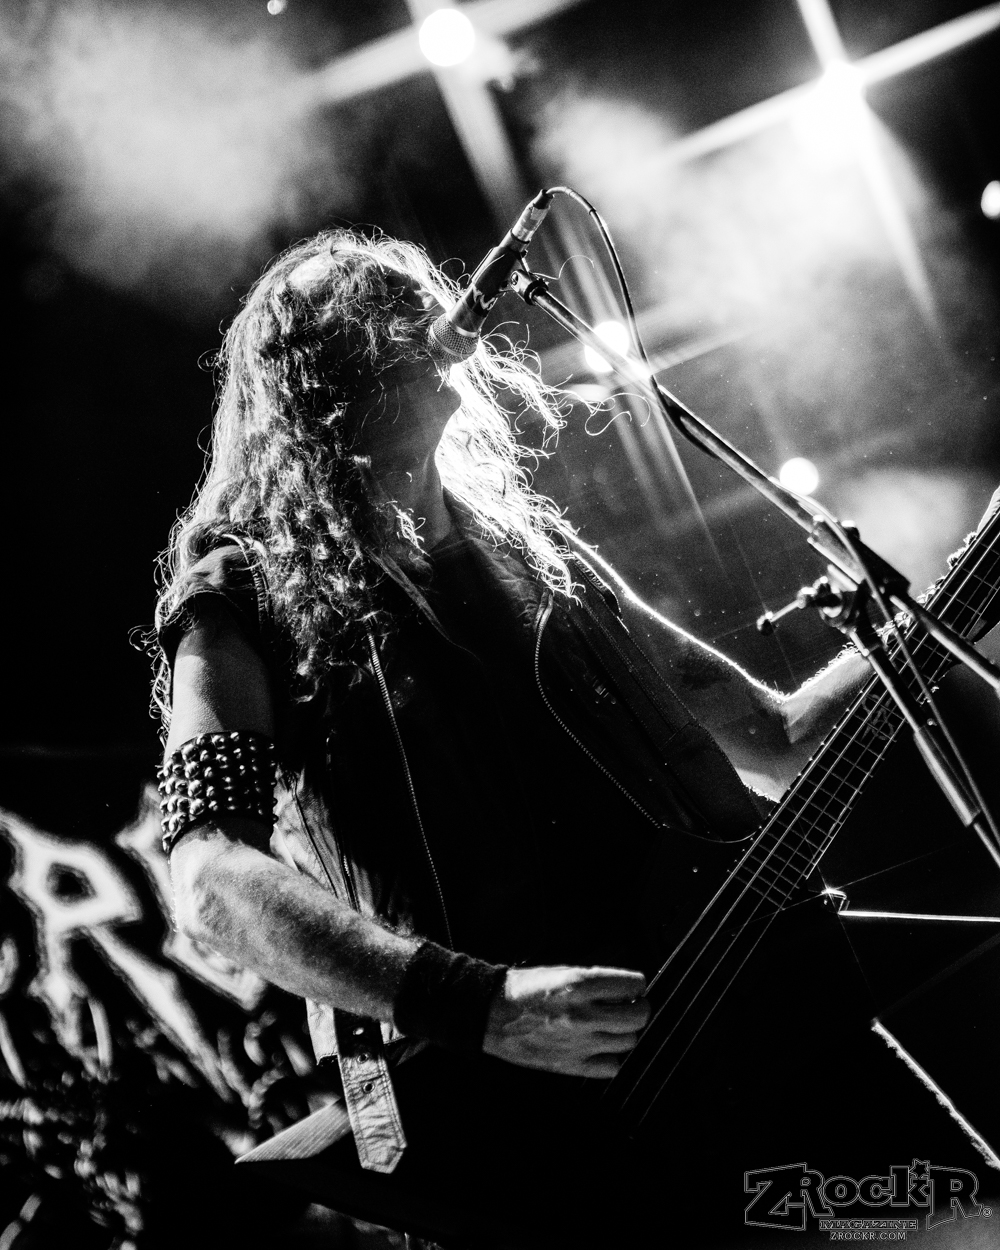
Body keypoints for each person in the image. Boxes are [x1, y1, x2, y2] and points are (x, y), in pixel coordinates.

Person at [152, 229, 967, 1246]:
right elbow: (211, 874)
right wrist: (478, 1004)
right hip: (545, 1120)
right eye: (380, 309)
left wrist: (953, 607)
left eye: (417, 297)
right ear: (318, 374)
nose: (430, 318)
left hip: (755, 1028)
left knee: (958, 1223)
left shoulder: (540, 555)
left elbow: (776, 731)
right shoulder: (244, 591)